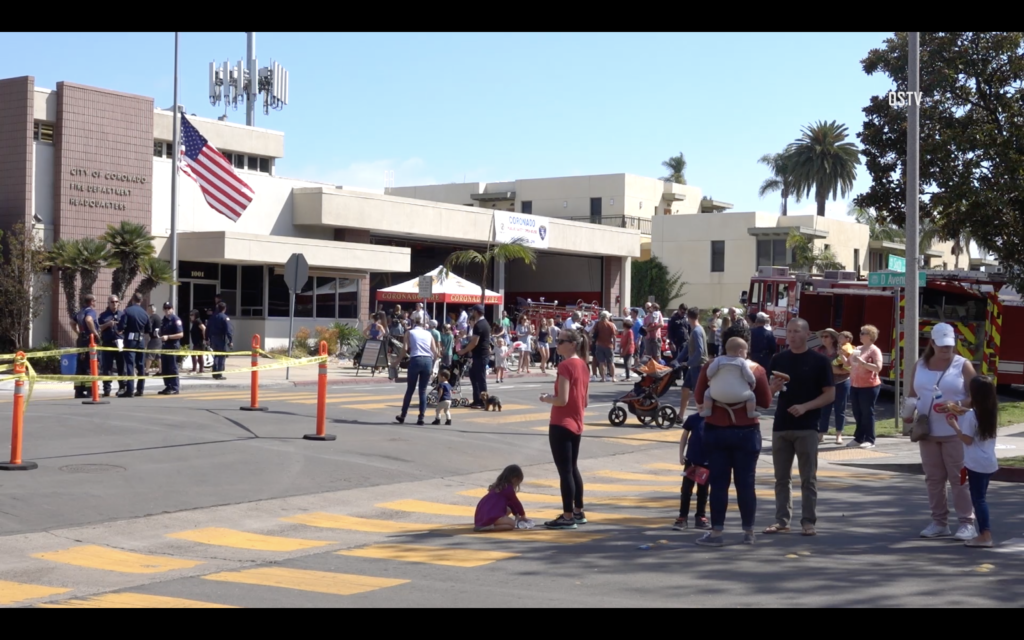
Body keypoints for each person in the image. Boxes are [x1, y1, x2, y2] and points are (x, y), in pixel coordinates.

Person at [693, 323, 773, 546]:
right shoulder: (756, 369)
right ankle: (749, 532)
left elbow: (699, 397)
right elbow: (766, 402)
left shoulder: (712, 366)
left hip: (716, 430)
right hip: (747, 431)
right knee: (746, 483)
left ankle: (717, 533)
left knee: (719, 483)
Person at [904, 322, 978, 540]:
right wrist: (907, 414)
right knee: (934, 479)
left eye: (950, 345)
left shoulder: (962, 365)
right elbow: (912, 394)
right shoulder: (920, 365)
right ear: (932, 343)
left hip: (956, 431)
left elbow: (977, 395)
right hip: (927, 431)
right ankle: (939, 522)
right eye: (942, 345)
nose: (946, 349)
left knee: (959, 478)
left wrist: (957, 404)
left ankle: (967, 523)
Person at [762, 318, 834, 537]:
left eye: (796, 331)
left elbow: (830, 394)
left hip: (807, 426)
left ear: (807, 334)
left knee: (808, 478)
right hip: (781, 425)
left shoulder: (819, 361)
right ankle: (781, 520)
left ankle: (808, 521)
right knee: (781, 478)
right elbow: (765, 396)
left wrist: (805, 407)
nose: (791, 336)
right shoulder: (778, 359)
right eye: (789, 331)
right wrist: (772, 389)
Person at [540, 328, 590, 530]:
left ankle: (568, 516)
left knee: (565, 472)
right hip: (576, 423)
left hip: (561, 423)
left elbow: (562, 400)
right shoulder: (583, 365)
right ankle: (578, 511)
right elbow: (585, 401)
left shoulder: (565, 366)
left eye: (561, 341)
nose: (557, 344)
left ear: (572, 344)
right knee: (573, 468)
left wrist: (547, 398)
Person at [946, 375, 998, 548]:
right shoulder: (991, 412)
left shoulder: (971, 416)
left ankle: (985, 535)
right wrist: (961, 410)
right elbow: (974, 419)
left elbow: (967, 440)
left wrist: (955, 426)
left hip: (976, 463)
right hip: (989, 462)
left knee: (979, 500)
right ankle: (984, 534)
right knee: (981, 498)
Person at [700, 336, 759, 420]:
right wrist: (753, 382)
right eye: (746, 352)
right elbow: (749, 375)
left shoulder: (718, 360)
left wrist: (710, 377)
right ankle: (751, 412)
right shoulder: (742, 362)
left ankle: (707, 410)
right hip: (740, 395)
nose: (746, 355)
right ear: (740, 352)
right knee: (751, 396)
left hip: (717, 394)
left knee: (707, 393)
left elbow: (709, 372)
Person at [396, 317, 439, 425]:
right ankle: (421, 417)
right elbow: (435, 351)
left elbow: (405, 348)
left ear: (414, 323)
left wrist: (397, 361)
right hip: (427, 361)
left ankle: (403, 415)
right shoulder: (429, 334)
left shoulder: (409, 333)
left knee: (410, 389)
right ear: (424, 324)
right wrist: (434, 365)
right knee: (423, 391)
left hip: (415, 359)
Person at [673, 412, 710, 531]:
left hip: (707, 462)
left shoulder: (714, 418)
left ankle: (700, 516)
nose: (701, 405)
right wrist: (681, 455)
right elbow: (684, 436)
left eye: (703, 403)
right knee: (686, 490)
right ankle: (682, 517)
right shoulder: (693, 418)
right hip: (691, 462)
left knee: (703, 491)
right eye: (698, 403)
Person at [849, 324, 884, 449]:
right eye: (861, 332)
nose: (860, 335)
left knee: (867, 413)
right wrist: (843, 355)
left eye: (863, 333)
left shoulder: (874, 350)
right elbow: (849, 363)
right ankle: (859, 438)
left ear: (870, 336)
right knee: (857, 412)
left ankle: (870, 439)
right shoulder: (858, 348)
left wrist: (863, 363)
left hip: (869, 385)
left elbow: (878, 368)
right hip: (855, 385)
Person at [816, 328, 850, 445]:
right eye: (822, 336)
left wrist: (831, 369)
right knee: (824, 409)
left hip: (842, 382)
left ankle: (839, 435)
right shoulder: (819, 350)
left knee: (840, 409)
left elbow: (847, 368)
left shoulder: (841, 350)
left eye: (826, 336)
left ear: (832, 339)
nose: (823, 339)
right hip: (826, 384)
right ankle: (821, 434)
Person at [474, 464, 528, 532]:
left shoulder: (498, 486)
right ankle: (490, 527)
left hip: (482, 516)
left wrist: (516, 514)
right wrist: (522, 515)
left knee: (508, 509)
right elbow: (516, 503)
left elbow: (511, 504)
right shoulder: (508, 489)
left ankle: (488, 524)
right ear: (515, 479)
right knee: (512, 524)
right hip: (492, 515)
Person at [117, 292, 151, 398]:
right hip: (141, 340)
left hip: (130, 340)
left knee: (130, 365)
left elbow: (121, 326)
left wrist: (119, 329)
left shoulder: (127, 311)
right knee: (141, 365)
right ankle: (140, 389)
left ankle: (130, 390)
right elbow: (148, 329)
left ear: (132, 299)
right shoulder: (145, 313)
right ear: (141, 300)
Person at [457, 304, 491, 409]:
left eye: (473, 311)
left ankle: (483, 402)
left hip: (480, 355)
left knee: (480, 379)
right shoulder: (485, 323)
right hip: (479, 355)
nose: (471, 313)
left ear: (476, 312)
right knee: (474, 377)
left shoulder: (479, 325)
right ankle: (477, 400)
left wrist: (463, 351)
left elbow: (474, 342)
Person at [677, 307, 708, 421]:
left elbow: (700, 352)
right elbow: (688, 347)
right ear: (698, 316)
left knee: (698, 394)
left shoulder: (696, 331)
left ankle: (703, 418)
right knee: (685, 389)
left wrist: (687, 363)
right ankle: (680, 415)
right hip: (693, 366)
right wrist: (678, 360)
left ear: (688, 317)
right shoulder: (696, 329)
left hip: (698, 366)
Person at [73, 294, 101, 398]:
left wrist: (78, 332)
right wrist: (95, 333)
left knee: (80, 366)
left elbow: (72, 322)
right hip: (89, 340)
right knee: (91, 365)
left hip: (81, 340)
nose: (95, 303)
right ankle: (91, 390)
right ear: (92, 302)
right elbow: (89, 320)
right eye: (95, 301)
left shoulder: (80, 312)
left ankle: (78, 391)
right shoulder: (90, 311)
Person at [98, 295, 126, 398]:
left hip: (119, 343)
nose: (114, 304)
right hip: (108, 343)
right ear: (108, 303)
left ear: (118, 303)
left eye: (116, 302)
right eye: (112, 302)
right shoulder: (103, 315)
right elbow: (98, 328)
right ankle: (107, 389)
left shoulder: (122, 315)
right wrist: (107, 324)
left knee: (121, 367)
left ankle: (122, 387)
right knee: (107, 367)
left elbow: (126, 327)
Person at [158, 302, 184, 395]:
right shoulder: (164, 320)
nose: (167, 310)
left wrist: (168, 337)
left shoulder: (175, 319)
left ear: (172, 309)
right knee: (165, 367)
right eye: (165, 308)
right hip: (165, 346)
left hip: (173, 346)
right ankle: (168, 386)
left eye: (169, 308)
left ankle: (175, 387)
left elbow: (181, 334)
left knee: (173, 367)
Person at [206, 302, 233, 380]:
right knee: (221, 356)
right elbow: (228, 330)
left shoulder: (212, 317)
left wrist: (206, 339)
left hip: (213, 339)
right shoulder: (225, 317)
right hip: (221, 338)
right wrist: (230, 340)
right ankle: (219, 374)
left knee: (216, 355)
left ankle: (214, 372)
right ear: (225, 308)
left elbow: (207, 328)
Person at [594, 311, 617, 382]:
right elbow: (614, 336)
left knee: (601, 362)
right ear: (607, 317)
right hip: (609, 345)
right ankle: (613, 377)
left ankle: (603, 377)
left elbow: (592, 332)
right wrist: (614, 345)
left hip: (599, 344)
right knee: (611, 362)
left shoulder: (598, 324)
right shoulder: (611, 324)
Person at [188, 309, 207, 375]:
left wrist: (204, 338)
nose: (191, 316)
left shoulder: (197, 321)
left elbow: (204, 328)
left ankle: (196, 370)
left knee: (196, 355)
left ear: (196, 315)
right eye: (190, 315)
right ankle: (199, 370)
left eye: (192, 315)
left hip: (199, 342)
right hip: (196, 342)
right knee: (198, 355)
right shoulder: (194, 322)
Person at [146, 304, 162, 374]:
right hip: (159, 339)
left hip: (154, 339)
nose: (147, 310)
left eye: (148, 309)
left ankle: (146, 371)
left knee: (150, 355)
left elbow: (149, 326)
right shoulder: (158, 317)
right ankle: (160, 370)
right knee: (158, 356)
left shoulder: (152, 317)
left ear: (151, 310)